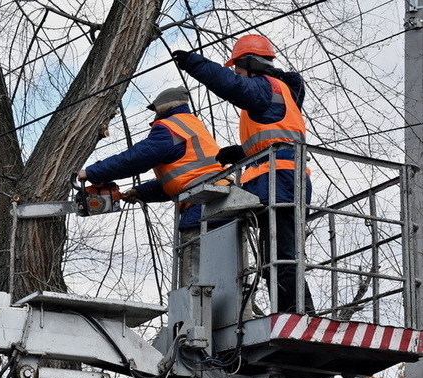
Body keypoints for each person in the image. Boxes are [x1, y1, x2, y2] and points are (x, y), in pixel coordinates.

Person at [171, 34, 315, 314]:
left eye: (237, 66)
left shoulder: (266, 88)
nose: (236, 72)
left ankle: (299, 315)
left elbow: (232, 86)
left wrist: (194, 63)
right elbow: (274, 138)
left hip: (281, 180)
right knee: (274, 259)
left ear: (250, 63)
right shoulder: (275, 93)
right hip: (276, 181)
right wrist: (241, 152)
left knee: (282, 257)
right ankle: (293, 312)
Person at [78, 86, 228, 287]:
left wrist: (91, 173)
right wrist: (141, 191)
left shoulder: (169, 127)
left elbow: (136, 158)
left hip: (201, 208)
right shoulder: (193, 126)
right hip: (226, 203)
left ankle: (199, 318)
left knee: (196, 285)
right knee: (231, 278)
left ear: (163, 107)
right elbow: (184, 177)